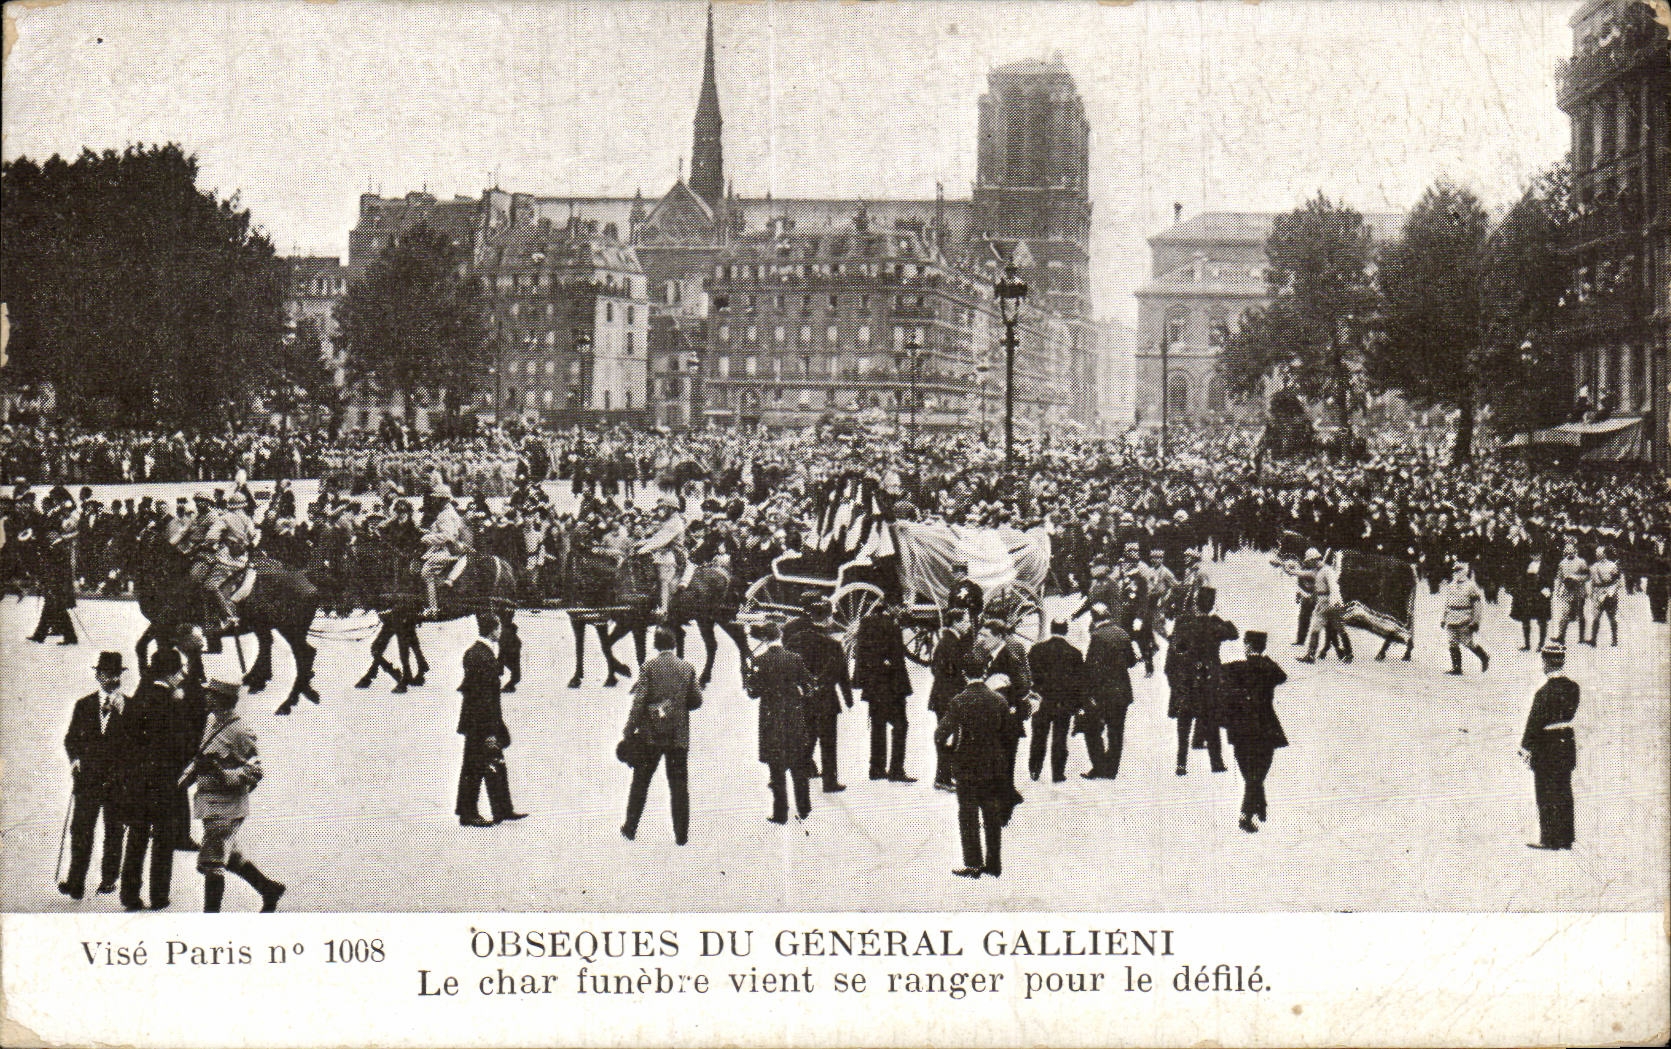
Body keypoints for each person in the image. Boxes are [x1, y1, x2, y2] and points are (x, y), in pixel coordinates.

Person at [185, 679, 285, 912]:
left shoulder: (240, 731)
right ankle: (268, 889)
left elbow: (255, 771)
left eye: (210, 695)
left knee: (212, 863)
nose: (206, 698)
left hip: (227, 807)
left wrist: (223, 773)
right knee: (231, 856)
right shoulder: (212, 721)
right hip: (210, 804)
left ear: (222, 699)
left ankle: (211, 919)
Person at [119, 647, 197, 911]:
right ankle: (158, 896)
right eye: (180, 670)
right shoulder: (175, 705)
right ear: (172, 673)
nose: (183, 674)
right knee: (163, 842)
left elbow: (126, 743)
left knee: (136, 838)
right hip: (165, 784)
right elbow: (184, 745)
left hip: (138, 783)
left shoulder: (137, 699)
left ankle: (129, 896)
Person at [58, 652, 134, 901]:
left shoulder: (130, 707)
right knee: (81, 830)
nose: (112, 679)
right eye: (106, 674)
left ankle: (109, 879)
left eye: (116, 675)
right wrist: (75, 759)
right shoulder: (84, 705)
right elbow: (70, 739)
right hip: (87, 780)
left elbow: (138, 744)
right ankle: (75, 881)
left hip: (117, 782)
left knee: (114, 830)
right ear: (98, 676)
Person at [620, 626, 703, 845]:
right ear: (674, 644)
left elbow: (639, 703)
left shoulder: (649, 667)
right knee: (678, 785)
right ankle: (681, 835)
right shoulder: (687, 667)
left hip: (651, 736)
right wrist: (677, 705)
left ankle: (630, 827)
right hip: (678, 736)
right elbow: (696, 701)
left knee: (640, 782)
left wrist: (629, 730)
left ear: (655, 645)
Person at [934, 648, 1011, 879]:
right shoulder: (998, 700)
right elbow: (1008, 734)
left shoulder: (959, 701)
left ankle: (973, 863)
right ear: (985, 671)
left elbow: (940, 734)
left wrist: (950, 755)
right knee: (991, 814)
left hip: (966, 765)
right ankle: (994, 863)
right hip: (993, 766)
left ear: (965, 674)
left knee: (968, 815)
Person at [455, 612, 526, 827]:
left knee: (492, 763)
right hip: (481, 720)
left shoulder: (479, 652)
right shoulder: (481, 656)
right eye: (498, 628)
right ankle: (470, 813)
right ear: (492, 629)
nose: (500, 631)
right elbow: (483, 696)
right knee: (475, 766)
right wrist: (490, 730)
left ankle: (501, 808)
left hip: (478, 719)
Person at [747, 620, 815, 825]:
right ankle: (804, 807)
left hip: (771, 719)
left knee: (776, 768)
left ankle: (780, 812)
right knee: (798, 765)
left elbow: (754, 693)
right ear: (780, 636)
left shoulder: (760, 661)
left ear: (766, 639)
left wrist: (748, 677)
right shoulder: (795, 659)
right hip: (793, 716)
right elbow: (809, 685)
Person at [784, 595, 854, 793]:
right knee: (828, 742)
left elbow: (788, 668)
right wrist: (848, 699)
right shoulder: (833, 645)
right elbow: (842, 674)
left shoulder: (794, 641)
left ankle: (802, 770)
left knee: (807, 735)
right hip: (827, 700)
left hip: (803, 697)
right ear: (827, 619)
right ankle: (829, 782)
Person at [1221, 631, 1289, 833]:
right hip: (1265, 727)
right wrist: (1262, 656)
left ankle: (1249, 811)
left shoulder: (1236, 668)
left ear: (1248, 647)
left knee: (1250, 774)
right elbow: (1282, 676)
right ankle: (1255, 806)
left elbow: (1217, 674)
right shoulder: (1269, 668)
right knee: (1258, 773)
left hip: (1241, 727)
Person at [1166, 586, 1237, 776]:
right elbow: (1234, 632)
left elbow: (1173, 654)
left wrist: (1174, 681)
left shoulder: (1184, 623)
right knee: (1211, 720)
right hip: (1209, 679)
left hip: (1187, 679)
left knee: (1184, 723)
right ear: (1211, 605)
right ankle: (1217, 762)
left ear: (1195, 604)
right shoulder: (1214, 625)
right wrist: (1219, 618)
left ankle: (1181, 763)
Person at [1519, 641, 1579, 850]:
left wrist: (1525, 746)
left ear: (1546, 662)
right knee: (1564, 790)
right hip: (1566, 742)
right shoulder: (1573, 687)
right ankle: (1566, 837)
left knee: (1545, 792)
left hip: (1547, 745)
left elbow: (1534, 722)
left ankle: (1549, 838)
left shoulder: (1543, 693)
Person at [853, 602, 914, 782]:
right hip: (892, 687)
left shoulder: (866, 624)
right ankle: (896, 769)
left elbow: (861, 656)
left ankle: (876, 768)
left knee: (878, 726)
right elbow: (897, 659)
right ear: (893, 607)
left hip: (873, 687)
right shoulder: (892, 627)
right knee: (901, 726)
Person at [1081, 605, 1139, 780]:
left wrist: (1087, 693)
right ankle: (1111, 770)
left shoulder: (1097, 637)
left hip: (1103, 693)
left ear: (1094, 618)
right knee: (1116, 732)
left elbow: (1091, 668)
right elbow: (1131, 661)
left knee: (1093, 730)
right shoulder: (1122, 633)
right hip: (1122, 692)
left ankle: (1099, 767)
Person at [1027, 620, 1084, 783]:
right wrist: (1078, 705)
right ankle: (1058, 773)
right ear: (1065, 631)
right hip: (1063, 703)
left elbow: (1029, 675)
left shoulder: (1036, 650)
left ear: (1051, 630)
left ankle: (1034, 770)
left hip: (1041, 701)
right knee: (1060, 738)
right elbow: (1080, 682)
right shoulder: (1075, 653)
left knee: (1038, 737)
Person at [194, 489, 257, 632]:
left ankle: (228, 615)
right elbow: (253, 536)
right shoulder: (247, 519)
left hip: (227, 559)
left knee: (209, 585)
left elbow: (211, 537)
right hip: (243, 558)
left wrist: (209, 543)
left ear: (231, 505)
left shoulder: (225, 518)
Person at [927, 607, 974, 791]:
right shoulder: (950, 643)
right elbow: (949, 671)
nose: (969, 624)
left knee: (950, 736)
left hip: (943, 697)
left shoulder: (949, 641)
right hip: (947, 698)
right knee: (948, 737)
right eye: (966, 621)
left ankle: (947, 775)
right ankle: (943, 777)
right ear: (956, 622)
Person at [29, 490, 79, 645]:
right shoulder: (53, 516)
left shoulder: (62, 517)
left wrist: (54, 540)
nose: (55, 501)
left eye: (56, 499)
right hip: (52, 561)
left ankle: (63, 636)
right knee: (52, 601)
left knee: (54, 600)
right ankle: (42, 634)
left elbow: (69, 534)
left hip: (57, 563)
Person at [420, 488, 470, 617]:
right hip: (448, 548)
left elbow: (447, 536)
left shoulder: (445, 514)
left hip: (448, 550)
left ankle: (433, 608)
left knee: (427, 571)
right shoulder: (447, 512)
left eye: (435, 498)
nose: (433, 501)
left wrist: (426, 538)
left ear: (442, 499)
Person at [638, 496, 687, 620]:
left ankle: (664, 609)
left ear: (671, 508)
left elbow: (662, 540)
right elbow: (657, 538)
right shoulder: (668, 521)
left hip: (673, 554)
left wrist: (644, 548)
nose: (661, 510)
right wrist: (642, 543)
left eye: (663, 507)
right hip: (663, 552)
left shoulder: (675, 522)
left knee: (663, 577)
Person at [1441, 560, 1490, 676]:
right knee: (1452, 643)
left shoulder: (1471, 586)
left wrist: (1475, 621)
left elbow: (1477, 606)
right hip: (1451, 617)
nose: (1457, 573)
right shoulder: (1451, 586)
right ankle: (1456, 668)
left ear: (1465, 571)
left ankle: (1484, 657)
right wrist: (1443, 618)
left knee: (1468, 643)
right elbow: (1447, 603)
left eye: (1459, 570)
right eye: (1455, 571)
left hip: (1464, 617)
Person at [1507, 552, 1551, 652]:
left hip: (1540, 596)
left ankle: (1541, 644)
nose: (1536, 556)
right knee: (1525, 619)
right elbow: (1520, 580)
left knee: (1542, 620)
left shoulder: (1545, 567)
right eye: (1533, 554)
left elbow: (1549, 582)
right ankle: (1527, 644)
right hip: (1527, 595)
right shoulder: (1526, 565)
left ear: (1541, 555)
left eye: (1538, 554)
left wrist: (1546, 593)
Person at [1550, 539, 1589, 645]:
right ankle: (1561, 636)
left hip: (1579, 591)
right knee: (1564, 613)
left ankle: (1581, 637)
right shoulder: (1562, 563)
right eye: (1568, 550)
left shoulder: (1581, 562)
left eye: (1572, 550)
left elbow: (1587, 576)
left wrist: (1577, 578)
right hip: (1567, 591)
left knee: (1580, 614)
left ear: (1575, 550)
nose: (1570, 552)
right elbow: (1559, 577)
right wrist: (1557, 590)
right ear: (1565, 551)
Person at [1587, 545, 1621, 648]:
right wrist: (1591, 594)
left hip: (1609, 593)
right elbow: (1592, 582)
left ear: (1605, 554)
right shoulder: (1593, 567)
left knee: (1612, 617)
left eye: (1600, 554)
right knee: (1596, 617)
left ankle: (1614, 639)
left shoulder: (1612, 566)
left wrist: (1612, 592)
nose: (1598, 555)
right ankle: (1593, 639)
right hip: (1597, 593)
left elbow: (1618, 581)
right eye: (1597, 554)